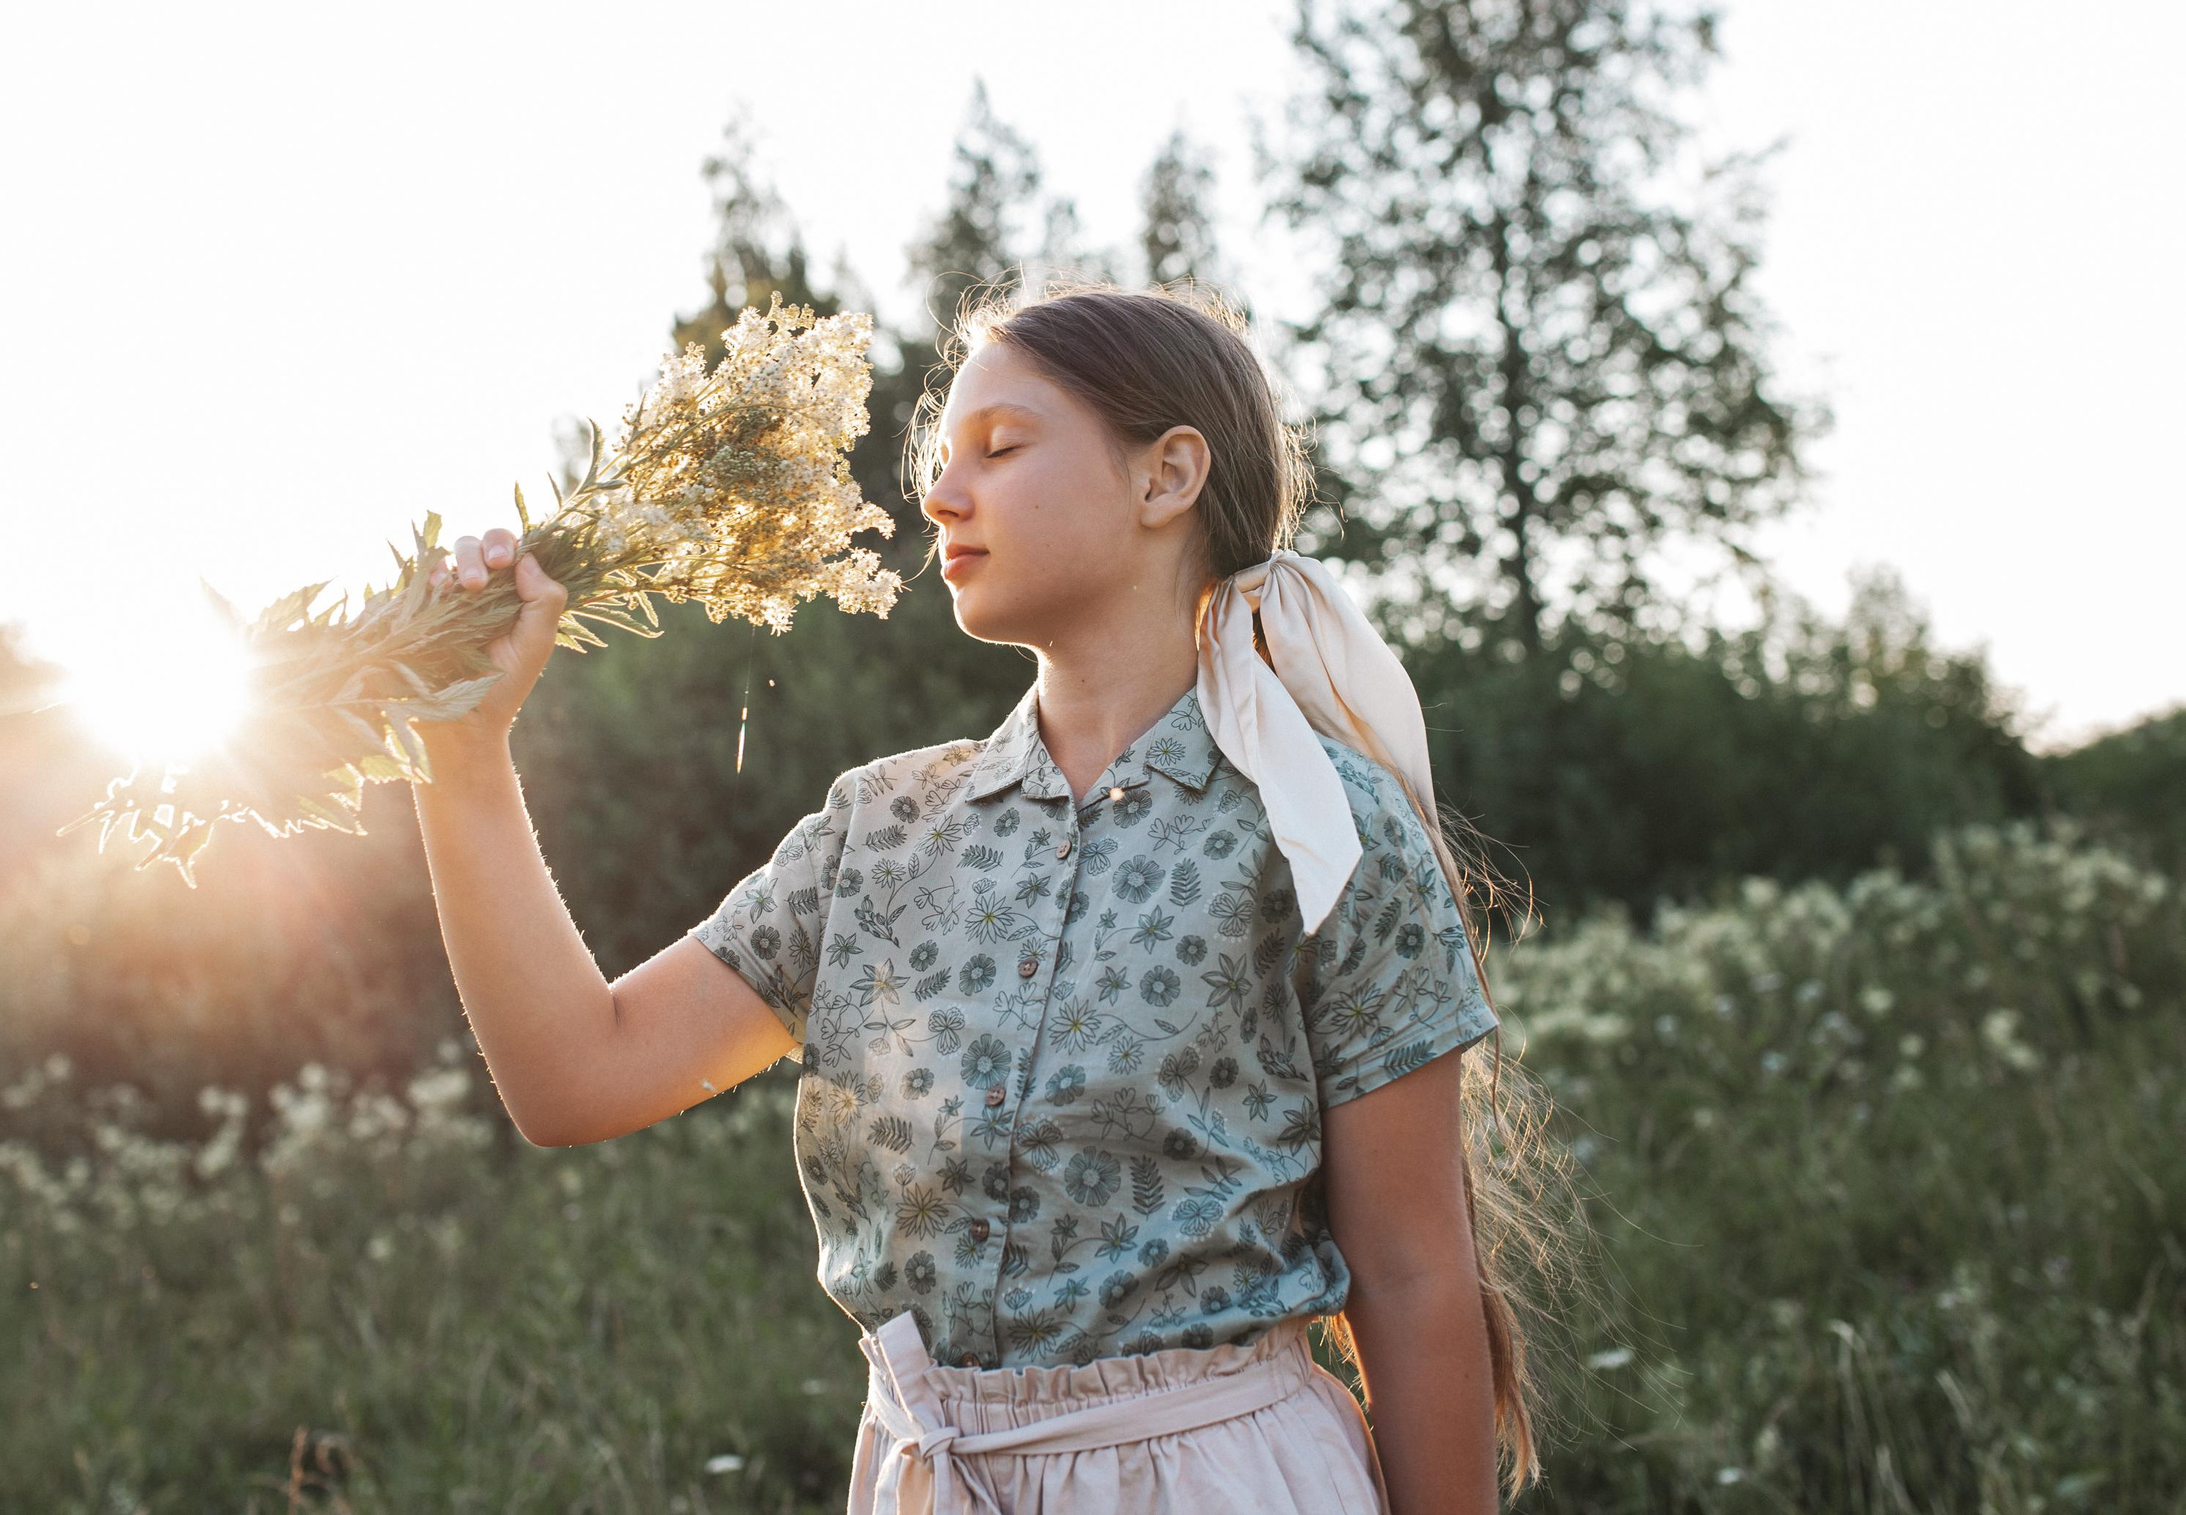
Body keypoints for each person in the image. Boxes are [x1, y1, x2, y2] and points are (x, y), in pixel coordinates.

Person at [409, 283, 1539, 1514]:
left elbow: (1416, 1273)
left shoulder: (1320, 829)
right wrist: (463, 755)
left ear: (1166, 479)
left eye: (997, 449)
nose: (941, 495)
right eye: (942, 460)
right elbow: (577, 1076)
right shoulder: (880, 829)